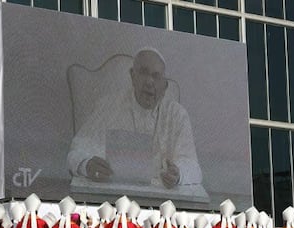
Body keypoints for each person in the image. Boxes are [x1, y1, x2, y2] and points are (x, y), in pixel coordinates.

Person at [67, 47, 202, 189]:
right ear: (132, 76)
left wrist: (178, 174)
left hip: (159, 200)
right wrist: (86, 165)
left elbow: (193, 168)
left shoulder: (177, 115)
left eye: (156, 76)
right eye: (144, 73)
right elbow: (75, 153)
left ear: (165, 86)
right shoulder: (109, 106)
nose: (149, 82)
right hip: (111, 197)